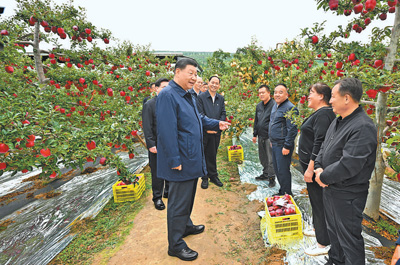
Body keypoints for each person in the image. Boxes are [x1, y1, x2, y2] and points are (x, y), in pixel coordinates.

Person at [156, 58, 230, 261]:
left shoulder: (187, 95)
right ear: (177, 72)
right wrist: (173, 159)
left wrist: (217, 124)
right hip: (180, 160)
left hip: (190, 157)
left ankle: (186, 225)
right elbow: (166, 131)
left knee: (187, 197)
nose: (194, 77)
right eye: (191, 73)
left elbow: (198, 119)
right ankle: (175, 244)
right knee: (178, 203)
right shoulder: (168, 95)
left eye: (196, 74)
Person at [314, 78, 377, 265]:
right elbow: (324, 148)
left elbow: (350, 164)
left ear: (347, 98)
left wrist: (323, 176)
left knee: (349, 239)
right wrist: (318, 167)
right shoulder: (338, 121)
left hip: (348, 194)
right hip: (331, 189)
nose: (330, 100)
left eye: (333, 96)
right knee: (334, 232)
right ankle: (335, 261)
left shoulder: (363, 126)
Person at [298, 83, 336, 256]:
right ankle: (319, 230)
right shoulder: (321, 114)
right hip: (312, 165)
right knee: (316, 200)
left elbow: (319, 142)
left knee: (319, 203)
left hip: (314, 167)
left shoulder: (323, 115)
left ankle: (323, 243)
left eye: (311, 92)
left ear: (321, 96)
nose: (308, 95)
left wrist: (310, 168)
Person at [142, 77, 170, 210]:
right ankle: (157, 197)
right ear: (156, 89)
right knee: (157, 172)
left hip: (169, 143)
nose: (167, 90)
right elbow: (147, 127)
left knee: (170, 167)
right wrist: (151, 144)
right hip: (156, 144)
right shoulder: (150, 105)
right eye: (164, 87)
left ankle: (167, 191)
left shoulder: (170, 103)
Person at [268, 84, 298, 196]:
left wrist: (287, 145)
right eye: (275, 92)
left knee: (283, 170)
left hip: (282, 145)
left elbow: (292, 129)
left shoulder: (290, 108)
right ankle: (282, 191)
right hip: (275, 144)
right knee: (277, 169)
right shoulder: (275, 106)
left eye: (281, 92)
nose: (277, 94)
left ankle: (287, 194)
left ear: (286, 94)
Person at [197, 75, 226, 189]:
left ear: (219, 86)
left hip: (216, 132)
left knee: (213, 154)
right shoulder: (201, 97)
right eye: (212, 82)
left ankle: (213, 175)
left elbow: (223, 113)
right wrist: (209, 126)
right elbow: (200, 114)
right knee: (203, 154)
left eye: (216, 83)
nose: (214, 85)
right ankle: (204, 177)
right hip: (205, 132)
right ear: (208, 83)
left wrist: (219, 125)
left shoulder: (221, 98)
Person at [252, 84, 276, 187]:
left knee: (270, 159)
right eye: (260, 93)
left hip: (269, 137)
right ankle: (265, 174)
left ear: (269, 93)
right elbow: (256, 121)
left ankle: (271, 178)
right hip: (261, 136)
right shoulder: (259, 106)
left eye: (263, 92)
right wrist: (254, 134)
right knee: (262, 157)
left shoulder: (274, 105)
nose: (261, 95)